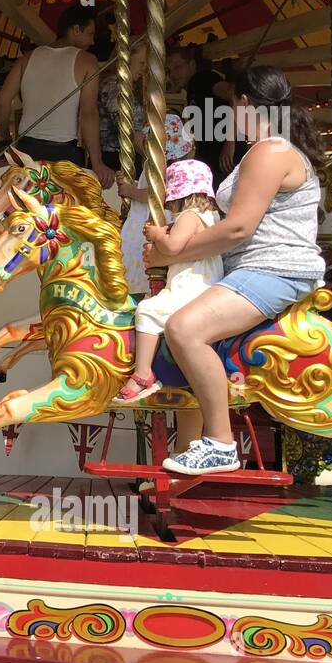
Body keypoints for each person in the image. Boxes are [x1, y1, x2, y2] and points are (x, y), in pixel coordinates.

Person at [146, 66, 325, 476]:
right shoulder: (266, 150)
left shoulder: (271, 152)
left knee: (184, 328)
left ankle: (221, 444)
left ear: (244, 103)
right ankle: (192, 443)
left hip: (271, 268)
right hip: (247, 268)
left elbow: (239, 227)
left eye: (229, 106)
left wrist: (173, 253)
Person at [117, 161, 224, 402]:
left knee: (147, 309)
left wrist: (158, 235)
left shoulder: (189, 216)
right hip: (204, 281)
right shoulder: (210, 215)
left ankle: (143, 373)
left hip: (191, 284)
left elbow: (173, 246)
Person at [0, 5, 114, 186]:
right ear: (75, 30)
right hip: (63, 153)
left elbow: (2, 101)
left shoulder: (27, 58)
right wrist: (97, 161)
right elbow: (88, 113)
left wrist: (3, 136)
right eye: (90, 34)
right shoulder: (87, 61)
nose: (92, 42)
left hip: (26, 150)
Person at [118, 112, 192, 297]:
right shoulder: (153, 165)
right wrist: (132, 185)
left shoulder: (162, 168)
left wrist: (130, 191)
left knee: (137, 257)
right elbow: (148, 187)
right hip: (143, 218)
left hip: (150, 221)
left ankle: (140, 294)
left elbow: (157, 194)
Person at [168, 44, 235, 187]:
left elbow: (233, 95)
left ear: (192, 64)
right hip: (214, 159)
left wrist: (230, 142)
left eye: (178, 68)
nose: (173, 75)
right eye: (169, 71)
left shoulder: (203, 78)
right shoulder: (192, 89)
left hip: (223, 159)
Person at [98, 43, 147, 178]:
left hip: (126, 155)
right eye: (141, 63)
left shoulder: (128, 88)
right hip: (116, 158)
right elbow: (125, 127)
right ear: (126, 60)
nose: (144, 69)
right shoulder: (114, 87)